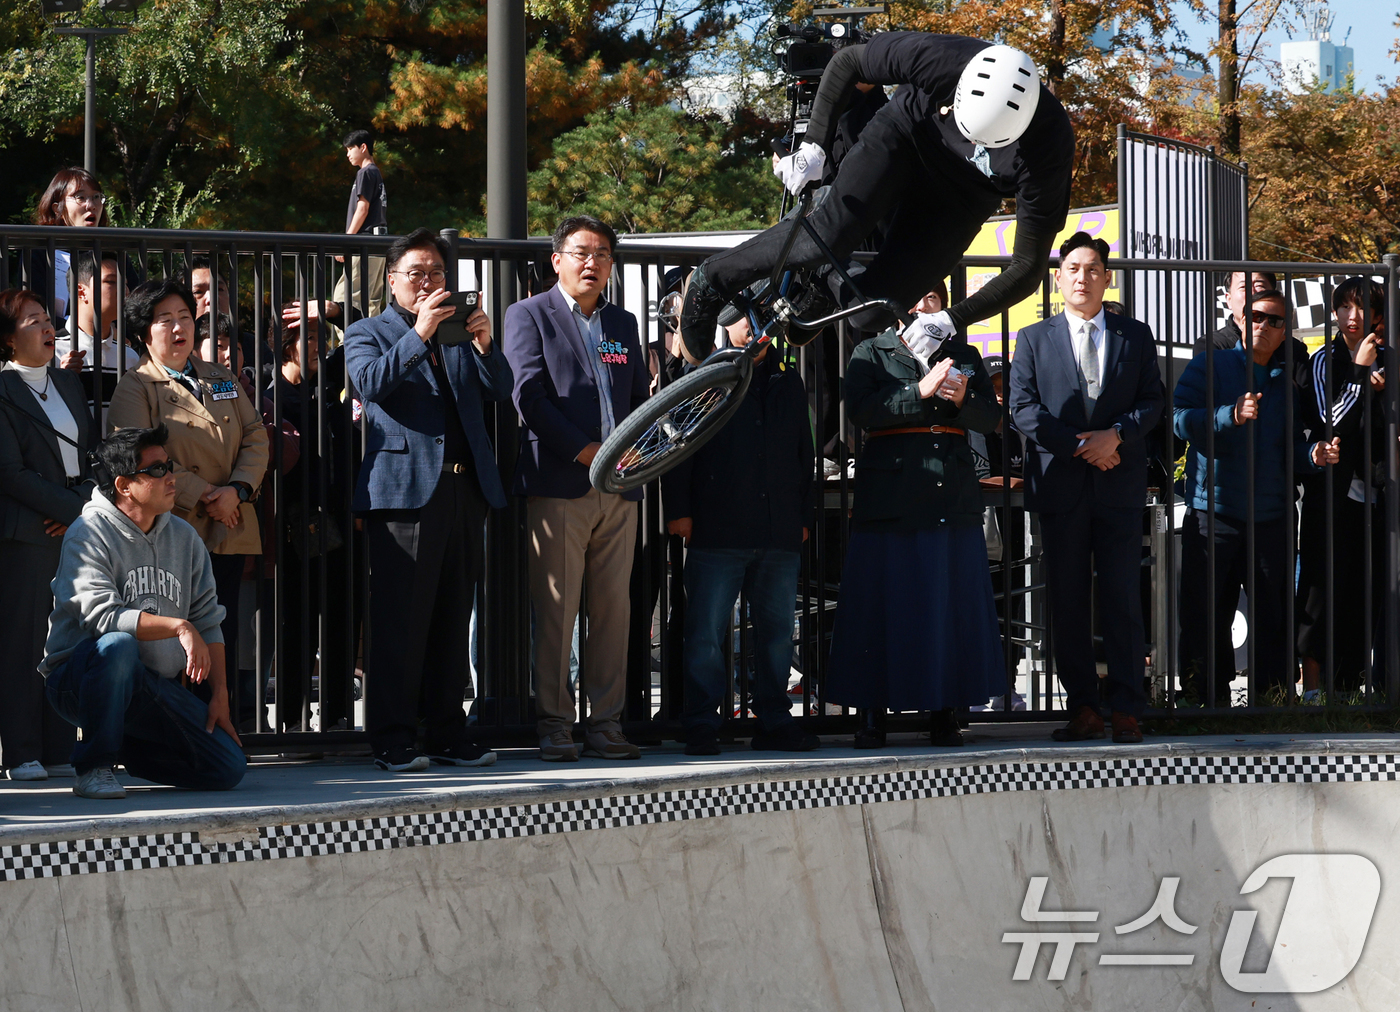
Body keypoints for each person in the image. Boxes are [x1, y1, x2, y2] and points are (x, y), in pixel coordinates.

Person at [680, 33, 1073, 361]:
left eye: (981, 141)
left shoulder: (1048, 152)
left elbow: (1028, 267)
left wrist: (953, 319)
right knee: (826, 236)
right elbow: (848, 61)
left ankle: (821, 283)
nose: (968, 141)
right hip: (906, 136)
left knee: (871, 313)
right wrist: (815, 146)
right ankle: (712, 279)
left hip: (964, 196)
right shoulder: (944, 58)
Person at [344, 227, 508, 772]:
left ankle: (446, 731)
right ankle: (392, 736)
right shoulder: (368, 331)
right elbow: (369, 384)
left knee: (451, 618)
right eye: (416, 273)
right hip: (404, 496)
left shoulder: (460, 334)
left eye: (437, 273)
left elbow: (502, 390)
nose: (428, 282)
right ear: (392, 280)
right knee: (399, 622)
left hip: (464, 489)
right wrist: (419, 333)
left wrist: (484, 346)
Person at [827, 288, 1003, 748]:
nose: (927, 305)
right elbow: (860, 412)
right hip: (891, 493)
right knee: (879, 604)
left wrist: (965, 399)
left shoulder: (963, 353)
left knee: (948, 605)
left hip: (950, 490)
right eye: (920, 296)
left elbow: (991, 420)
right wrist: (916, 392)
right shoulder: (872, 349)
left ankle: (945, 710)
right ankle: (871, 714)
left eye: (936, 298)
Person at [503, 215, 651, 762]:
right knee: (557, 609)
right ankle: (555, 722)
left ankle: (607, 723)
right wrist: (587, 451)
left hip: (621, 486)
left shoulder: (623, 323)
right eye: (583, 253)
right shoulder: (528, 315)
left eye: (604, 255)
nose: (594, 263)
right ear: (557, 259)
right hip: (562, 481)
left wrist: (636, 450)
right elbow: (528, 397)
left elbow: (639, 398)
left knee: (614, 609)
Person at [1009, 231, 1165, 743]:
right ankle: (1083, 707)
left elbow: (1153, 401)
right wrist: (1082, 445)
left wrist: (1115, 436)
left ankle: (1126, 706)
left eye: (1093, 268)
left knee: (1122, 596)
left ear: (1106, 277)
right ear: (1058, 279)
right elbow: (1023, 409)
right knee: (1069, 602)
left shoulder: (1134, 336)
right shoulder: (1033, 338)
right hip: (1062, 486)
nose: (1083, 277)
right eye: (1073, 268)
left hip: (1119, 485)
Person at [40, 425, 246, 800]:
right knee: (117, 644)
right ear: (123, 485)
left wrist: (220, 693)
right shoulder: (87, 533)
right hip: (80, 680)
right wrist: (177, 626)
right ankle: (94, 766)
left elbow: (207, 618)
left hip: (151, 687)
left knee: (228, 768)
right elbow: (103, 617)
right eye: (156, 471)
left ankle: (123, 748)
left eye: (169, 466)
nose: (171, 478)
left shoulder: (184, 536)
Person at [107, 279, 270, 728]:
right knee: (178, 637)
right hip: (176, 528)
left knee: (223, 630)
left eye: (185, 317)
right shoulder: (135, 387)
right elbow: (140, 458)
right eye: (165, 319)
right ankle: (180, 734)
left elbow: (256, 435)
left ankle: (221, 728)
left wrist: (236, 489)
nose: (178, 327)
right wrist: (206, 496)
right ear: (145, 331)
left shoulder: (220, 376)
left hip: (231, 519)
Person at [1174, 288, 1339, 705]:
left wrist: (1313, 454)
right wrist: (1227, 416)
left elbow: (1288, 449)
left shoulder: (1288, 381)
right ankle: (1203, 702)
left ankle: (1271, 702)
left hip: (1273, 516)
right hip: (1215, 511)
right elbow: (1178, 420)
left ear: (1286, 332)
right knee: (1206, 614)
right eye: (1257, 317)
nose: (1264, 326)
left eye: (1276, 321)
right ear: (1241, 320)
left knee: (1274, 617)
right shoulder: (1210, 364)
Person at [663, 313, 818, 756]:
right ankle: (700, 722)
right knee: (706, 634)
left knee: (776, 635)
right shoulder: (705, 376)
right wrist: (679, 510)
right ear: (725, 328)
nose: (754, 326)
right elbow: (677, 443)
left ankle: (773, 719)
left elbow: (802, 453)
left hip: (779, 529)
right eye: (743, 319)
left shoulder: (788, 380)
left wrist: (801, 515)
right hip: (717, 526)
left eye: (761, 318)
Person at [0, 289, 96, 781]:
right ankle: (20, 751)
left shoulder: (68, 383)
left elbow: (93, 455)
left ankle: (59, 745)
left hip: (74, 530)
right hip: (27, 534)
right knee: (23, 643)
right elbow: (10, 472)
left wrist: (81, 504)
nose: (46, 327)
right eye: (33, 320)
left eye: (46, 318)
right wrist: (72, 507)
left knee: (67, 639)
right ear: (8, 338)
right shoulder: (3, 388)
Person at [1295, 277, 1387, 697]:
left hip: (1378, 496)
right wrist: (1360, 376)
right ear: (1334, 313)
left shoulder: (1390, 358)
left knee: (1364, 591)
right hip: (1329, 493)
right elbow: (1328, 420)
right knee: (1321, 587)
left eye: (1363, 307)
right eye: (1346, 307)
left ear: (1379, 316)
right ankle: (1311, 689)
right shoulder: (1323, 360)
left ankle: (1354, 689)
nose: (1354, 317)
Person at [267, 303, 355, 733]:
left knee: (340, 618)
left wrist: (335, 310)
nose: (320, 347)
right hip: (290, 524)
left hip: (339, 519)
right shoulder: (270, 398)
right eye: (310, 338)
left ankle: (338, 715)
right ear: (286, 346)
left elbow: (359, 329)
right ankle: (292, 720)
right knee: (296, 624)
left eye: (322, 338)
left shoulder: (330, 385)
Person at [53, 251, 136, 405]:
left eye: (124, 283)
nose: (125, 290)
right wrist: (59, 379)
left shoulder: (130, 357)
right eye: (111, 281)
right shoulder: (53, 351)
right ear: (81, 291)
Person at [29, 168, 112, 320]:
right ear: (57, 208)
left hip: (108, 340)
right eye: (81, 198)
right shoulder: (38, 250)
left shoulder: (112, 251)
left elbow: (133, 303)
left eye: (96, 197)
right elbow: (32, 306)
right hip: (53, 339)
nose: (91, 205)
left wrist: (117, 333)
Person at [335, 129, 388, 319]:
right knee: (371, 301)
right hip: (378, 242)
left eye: (350, 149)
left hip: (365, 242)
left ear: (363, 147)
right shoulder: (376, 173)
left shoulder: (365, 173)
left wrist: (346, 242)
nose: (348, 154)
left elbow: (362, 209)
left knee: (344, 296)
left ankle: (349, 343)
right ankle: (373, 345)